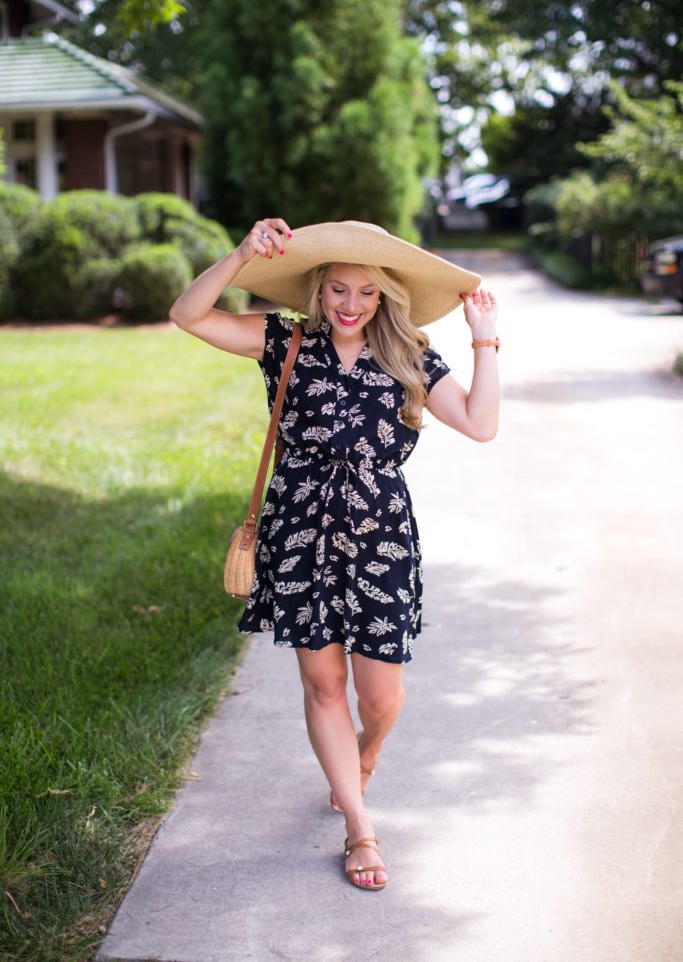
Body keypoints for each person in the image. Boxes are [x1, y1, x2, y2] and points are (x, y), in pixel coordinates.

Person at [168, 216, 499, 891]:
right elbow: (187, 314)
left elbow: (480, 424)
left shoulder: (409, 357)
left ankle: (365, 752)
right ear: (317, 292)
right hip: (298, 534)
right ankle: (359, 825)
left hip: (381, 537)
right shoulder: (282, 343)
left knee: (381, 695)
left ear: (385, 299)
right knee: (322, 685)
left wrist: (484, 341)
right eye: (337, 290)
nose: (350, 305)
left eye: (366, 293)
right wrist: (240, 253)